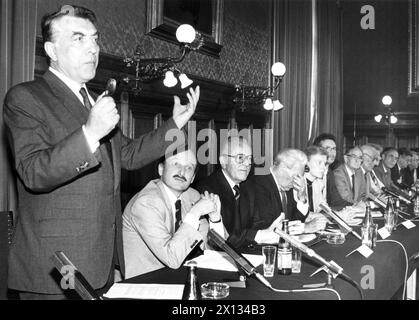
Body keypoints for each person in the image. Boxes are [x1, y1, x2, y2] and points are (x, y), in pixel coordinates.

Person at [3, 5, 200, 299]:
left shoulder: (95, 100)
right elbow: (33, 172)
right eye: (79, 38)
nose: (93, 48)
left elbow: (130, 154)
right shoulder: (26, 97)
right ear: (52, 50)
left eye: (94, 39)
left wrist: (176, 125)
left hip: (102, 263)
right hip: (55, 269)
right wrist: (90, 133)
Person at [122, 149, 224, 278]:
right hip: (145, 284)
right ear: (161, 170)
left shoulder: (192, 196)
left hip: (178, 278)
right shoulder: (146, 203)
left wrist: (215, 219)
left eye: (189, 168)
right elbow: (172, 258)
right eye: (176, 164)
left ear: (192, 178)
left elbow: (214, 251)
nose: (182, 172)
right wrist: (195, 212)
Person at [247, 148, 326, 244]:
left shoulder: (286, 186)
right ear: (282, 168)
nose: (297, 182)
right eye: (296, 176)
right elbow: (267, 225)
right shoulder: (260, 185)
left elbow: (294, 219)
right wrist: (304, 228)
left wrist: (302, 198)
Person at [195, 136, 257, 250]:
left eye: (250, 158)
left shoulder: (249, 187)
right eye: (240, 158)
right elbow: (220, 238)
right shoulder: (207, 189)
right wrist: (258, 236)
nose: (247, 163)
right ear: (223, 161)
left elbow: (256, 224)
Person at [304, 146, 328, 213]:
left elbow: (322, 207)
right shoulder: (296, 183)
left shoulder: (319, 183)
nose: (323, 167)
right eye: (319, 163)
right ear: (306, 162)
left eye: (325, 163)